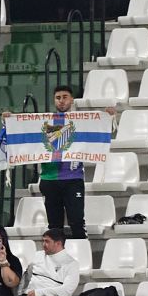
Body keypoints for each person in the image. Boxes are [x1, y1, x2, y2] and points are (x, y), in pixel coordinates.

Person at [37, 84, 97, 240]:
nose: (61, 101)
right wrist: (8, 121)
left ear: (72, 100)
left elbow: (100, 134)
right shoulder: (42, 122)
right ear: (54, 100)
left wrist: (109, 118)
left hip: (73, 179)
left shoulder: (82, 122)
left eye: (65, 97)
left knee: (77, 222)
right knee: (54, 227)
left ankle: (82, 259)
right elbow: (21, 131)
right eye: (58, 98)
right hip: (49, 179)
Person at [12, 229, 80, 296]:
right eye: (43, 241)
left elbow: (67, 290)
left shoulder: (71, 263)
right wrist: (21, 293)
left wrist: (39, 292)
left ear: (58, 243)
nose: (43, 244)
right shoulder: (38, 255)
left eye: (47, 241)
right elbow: (26, 276)